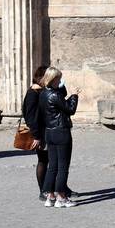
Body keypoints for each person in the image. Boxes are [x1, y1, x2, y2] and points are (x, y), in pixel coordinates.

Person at [39, 66, 79, 208]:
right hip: (61, 132)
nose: (60, 81)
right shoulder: (55, 95)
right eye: (58, 78)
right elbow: (70, 109)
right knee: (62, 166)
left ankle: (50, 196)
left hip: (49, 132)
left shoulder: (43, 93)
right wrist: (74, 96)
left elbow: (60, 102)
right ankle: (61, 197)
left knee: (53, 166)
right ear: (53, 79)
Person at [21, 65, 49, 203]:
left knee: (50, 161)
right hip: (40, 133)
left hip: (47, 131)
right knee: (43, 161)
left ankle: (53, 188)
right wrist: (36, 136)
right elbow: (30, 117)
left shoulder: (42, 91)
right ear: (41, 78)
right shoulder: (32, 93)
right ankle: (43, 191)